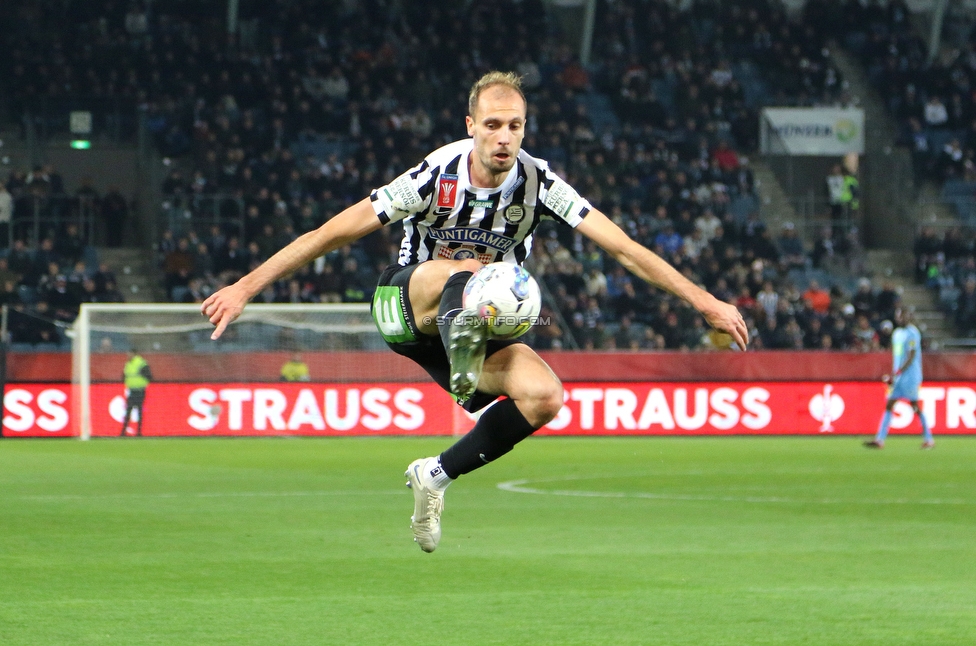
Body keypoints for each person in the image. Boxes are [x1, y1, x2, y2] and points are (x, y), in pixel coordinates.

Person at [201, 72, 748, 552]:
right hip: (406, 305)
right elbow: (327, 235)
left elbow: (624, 247)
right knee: (466, 271)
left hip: (473, 324)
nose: (503, 137)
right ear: (470, 125)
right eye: (492, 125)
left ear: (525, 129)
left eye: (514, 125)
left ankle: (435, 475)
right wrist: (246, 287)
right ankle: (463, 346)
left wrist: (704, 302)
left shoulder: (540, 185)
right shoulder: (430, 178)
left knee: (545, 396)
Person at [864, 310, 933, 449]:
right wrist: (894, 373)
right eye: (900, 316)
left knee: (915, 406)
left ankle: (929, 438)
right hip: (898, 376)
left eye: (904, 316)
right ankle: (880, 440)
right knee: (889, 404)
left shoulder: (912, 333)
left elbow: (911, 356)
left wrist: (898, 372)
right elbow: (898, 357)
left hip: (911, 376)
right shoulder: (896, 334)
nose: (902, 318)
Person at [120, 348, 152, 436]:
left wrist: (141, 383)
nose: (128, 355)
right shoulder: (128, 364)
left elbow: (149, 376)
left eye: (129, 353)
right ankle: (123, 432)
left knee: (138, 411)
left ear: (134, 354)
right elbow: (124, 376)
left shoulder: (141, 363)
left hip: (140, 390)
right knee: (129, 411)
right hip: (131, 390)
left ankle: (139, 432)